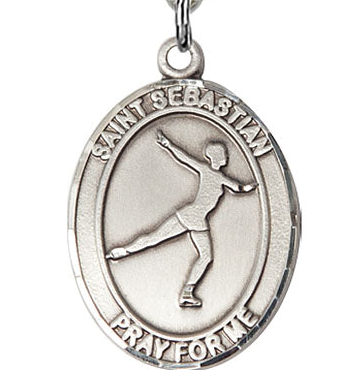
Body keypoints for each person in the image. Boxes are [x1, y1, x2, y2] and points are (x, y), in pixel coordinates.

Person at [106, 131, 257, 307]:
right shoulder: (207, 171)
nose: (227, 157)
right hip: (189, 215)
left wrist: (253, 186)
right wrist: (169, 145)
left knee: (206, 257)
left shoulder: (221, 178)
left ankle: (187, 293)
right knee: (154, 238)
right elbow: (186, 159)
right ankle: (121, 252)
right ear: (216, 157)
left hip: (199, 221)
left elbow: (238, 188)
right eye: (224, 153)